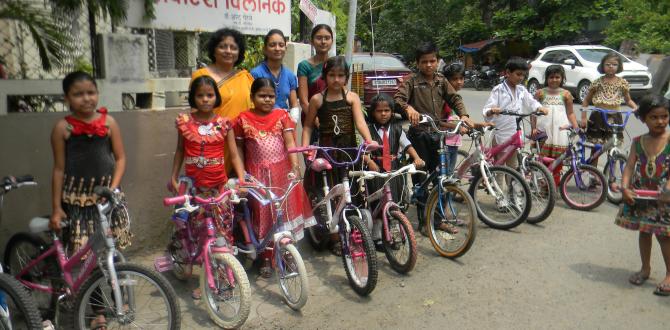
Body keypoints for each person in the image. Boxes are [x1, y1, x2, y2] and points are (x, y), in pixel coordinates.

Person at [49, 71, 132, 329]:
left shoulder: (109, 124)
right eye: (78, 94)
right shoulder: (63, 128)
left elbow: (120, 158)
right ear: (66, 98)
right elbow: (59, 169)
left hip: (106, 203)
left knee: (111, 253)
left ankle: (120, 298)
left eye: (91, 92)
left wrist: (113, 189)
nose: (86, 99)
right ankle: (97, 311)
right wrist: (55, 209)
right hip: (77, 204)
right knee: (87, 260)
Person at [229, 78, 316, 277]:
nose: (267, 100)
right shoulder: (242, 119)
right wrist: (242, 175)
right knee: (263, 216)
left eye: (271, 96)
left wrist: (295, 167)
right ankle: (265, 258)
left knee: (283, 215)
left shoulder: (281, 115)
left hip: (282, 175)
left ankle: (286, 255)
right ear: (252, 97)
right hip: (258, 177)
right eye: (262, 96)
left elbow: (289, 143)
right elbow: (239, 149)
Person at [170, 75, 240, 298]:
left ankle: (222, 276)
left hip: (219, 189)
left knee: (221, 234)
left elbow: (235, 155)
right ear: (193, 98)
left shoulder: (224, 123)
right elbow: (180, 151)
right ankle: (204, 278)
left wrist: (241, 176)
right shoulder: (185, 122)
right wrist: (173, 176)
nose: (205, 99)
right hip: (194, 190)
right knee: (200, 234)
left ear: (216, 97)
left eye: (209, 95)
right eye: (200, 95)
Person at [394, 42, 473, 234]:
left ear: (437, 61)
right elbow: (398, 99)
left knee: (441, 178)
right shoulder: (411, 81)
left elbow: (455, 98)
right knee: (422, 179)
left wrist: (464, 116)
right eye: (424, 62)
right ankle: (423, 222)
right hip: (419, 135)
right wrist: (409, 108)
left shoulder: (441, 80)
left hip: (437, 135)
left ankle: (438, 219)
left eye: (432, 61)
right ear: (418, 63)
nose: (429, 65)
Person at [302, 55, 375, 255]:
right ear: (324, 76)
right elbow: (308, 126)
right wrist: (305, 147)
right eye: (332, 75)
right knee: (331, 193)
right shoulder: (317, 99)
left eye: (341, 75)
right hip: (328, 152)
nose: (336, 79)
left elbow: (360, 123)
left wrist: (369, 142)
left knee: (353, 193)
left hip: (349, 150)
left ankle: (354, 231)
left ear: (346, 77)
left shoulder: (352, 97)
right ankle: (335, 238)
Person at [617, 94, 670, 296]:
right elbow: (629, 167)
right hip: (642, 195)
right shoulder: (638, 142)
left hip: (665, 197)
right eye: (654, 117)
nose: (660, 121)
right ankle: (645, 268)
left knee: (665, 236)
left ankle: (669, 274)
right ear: (643, 119)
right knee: (644, 231)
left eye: (665, 116)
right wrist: (624, 187)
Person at [363, 94, 424, 245]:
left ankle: (395, 228)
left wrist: (416, 158)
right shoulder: (368, 130)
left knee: (395, 199)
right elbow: (363, 149)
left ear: (392, 112)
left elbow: (407, 145)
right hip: (376, 170)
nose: (383, 114)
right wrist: (369, 161)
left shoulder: (397, 129)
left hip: (395, 169)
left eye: (387, 110)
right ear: (373, 113)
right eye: (379, 111)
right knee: (377, 200)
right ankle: (376, 234)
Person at [483, 58, 549, 169]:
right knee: (499, 167)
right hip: (501, 132)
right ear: (508, 73)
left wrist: (540, 107)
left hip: (515, 131)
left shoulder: (521, 90)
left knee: (513, 166)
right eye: (518, 74)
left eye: (523, 75)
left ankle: (511, 185)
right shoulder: (498, 90)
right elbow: (487, 109)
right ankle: (494, 185)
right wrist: (492, 110)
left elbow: (531, 102)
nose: (521, 78)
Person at [581, 52, 637, 164]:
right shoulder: (597, 83)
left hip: (615, 118)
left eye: (614, 64)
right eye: (608, 64)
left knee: (613, 147)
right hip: (597, 117)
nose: (611, 66)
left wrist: (636, 108)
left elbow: (628, 100)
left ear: (619, 66)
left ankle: (611, 177)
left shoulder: (623, 83)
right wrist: (583, 118)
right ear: (603, 66)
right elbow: (586, 101)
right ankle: (594, 176)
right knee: (596, 147)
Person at [530, 65, 579, 186]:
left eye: (557, 77)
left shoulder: (566, 94)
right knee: (543, 160)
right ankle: (543, 185)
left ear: (562, 78)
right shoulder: (540, 93)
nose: (554, 80)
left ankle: (555, 186)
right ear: (547, 78)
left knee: (558, 161)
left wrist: (576, 126)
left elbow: (570, 113)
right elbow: (533, 113)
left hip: (560, 132)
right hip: (544, 131)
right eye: (551, 77)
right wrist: (533, 128)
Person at [191, 28, 254, 121]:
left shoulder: (245, 77)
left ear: (239, 53)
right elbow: (195, 112)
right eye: (222, 47)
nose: (228, 51)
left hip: (243, 133)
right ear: (214, 50)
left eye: (233, 48)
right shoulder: (201, 75)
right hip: (214, 133)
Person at [250, 29, 300, 122]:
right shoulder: (255, 74)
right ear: (265, 49)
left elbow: (294, 105)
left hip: (284, 125)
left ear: (286, 48)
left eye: (281, 45)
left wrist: (292, 126)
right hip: (261, 124)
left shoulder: (290, 75)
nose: (277, 48)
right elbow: (251, 103)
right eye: (272, 45)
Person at [297, 24, 333, 122]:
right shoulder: (304, 66)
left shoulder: (336, 64)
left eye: (327, 38)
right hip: (311, 119)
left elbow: (343, 94)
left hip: (334, 119)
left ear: (332, 41)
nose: (323, 41)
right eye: (319, 38)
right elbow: (304, 101)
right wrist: (317, 121)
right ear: (312, 41)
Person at [442, 62, 469, 175]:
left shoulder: (456, 100)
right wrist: (458, 127)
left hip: (454, 143)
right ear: (446, 81)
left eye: (461, 78)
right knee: (446, 175)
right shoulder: (443, 100)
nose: (459, 82)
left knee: (450, 173)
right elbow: (440, 123)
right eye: (454, 79)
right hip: (444, 143)